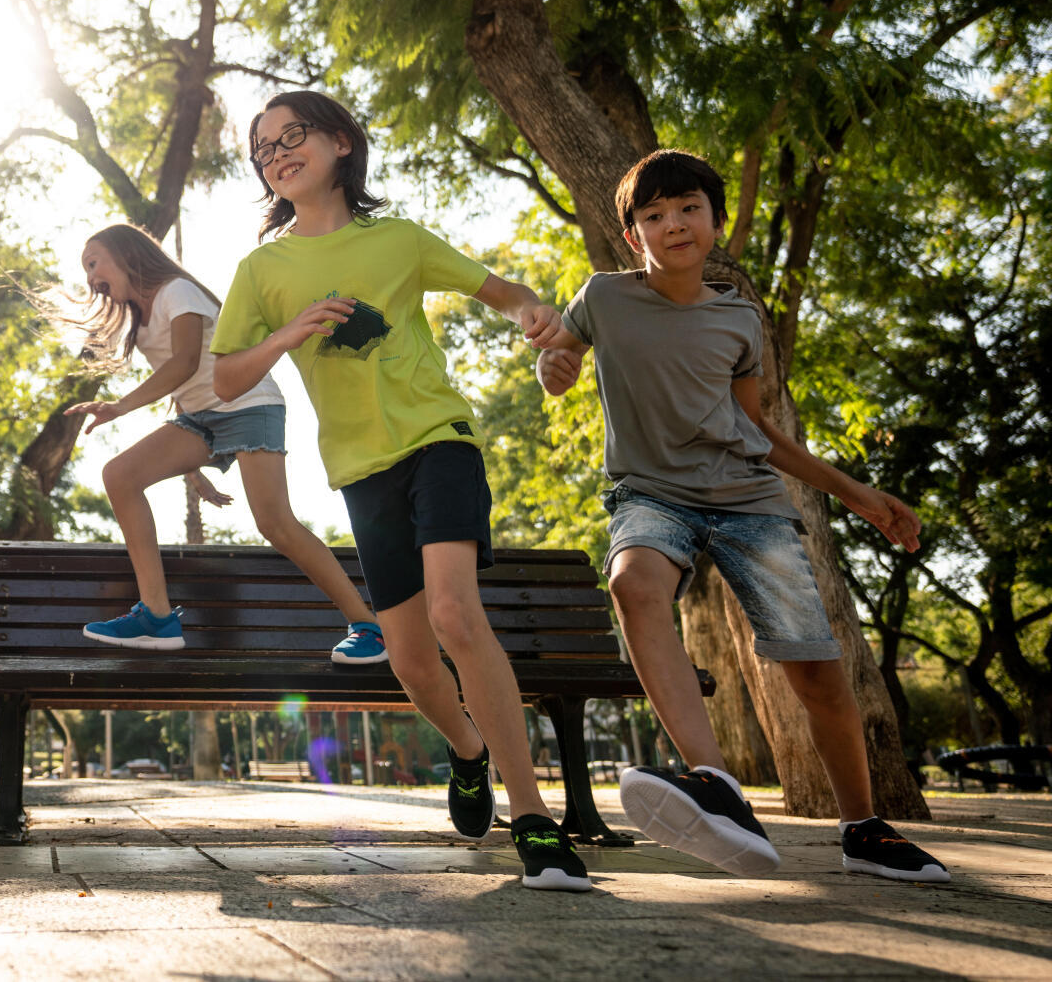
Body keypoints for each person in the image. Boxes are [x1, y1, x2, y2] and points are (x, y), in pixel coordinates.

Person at [535, 148, 949, 883]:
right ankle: (716, 785)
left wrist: (858, 493)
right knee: (634, 584)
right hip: (650, 494)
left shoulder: (739, 317)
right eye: (653, 215)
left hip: (747, 501)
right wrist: (554, 367)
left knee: (816, 671)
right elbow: (556, 357)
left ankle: (864, 828)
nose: (673, 224)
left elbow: (757, 430)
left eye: (688, 208)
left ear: (716, 221)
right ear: (634, 237)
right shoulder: (602, 296)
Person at [210, 91, 589, 891]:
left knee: (456, 613)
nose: (277, 152)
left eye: (293, 135)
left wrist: (535, 315)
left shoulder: (401, 240)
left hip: (440, 440)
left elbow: (504, 292)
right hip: (359, 471)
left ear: (342, 142)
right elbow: (225, 374)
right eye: (263, 148)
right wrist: (286, 333)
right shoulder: (263, 268)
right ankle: (467, 750)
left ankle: (533, 819)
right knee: (414, 661)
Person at [41, 224, 385, 663]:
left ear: (127, 255)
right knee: (120, 476)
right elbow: (185, 393)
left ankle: (367, 625)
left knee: (275, 523)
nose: (90, 278)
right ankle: (157, 617)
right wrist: (192, 468)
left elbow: (185, 363)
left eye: (93, 263)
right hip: (201, 420)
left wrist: (120, 407)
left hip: (249, 406)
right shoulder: (140, 322)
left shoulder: (176, 292)